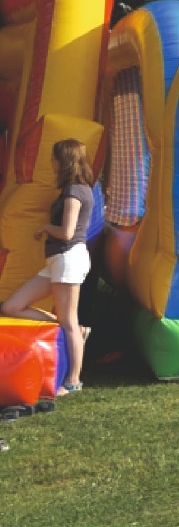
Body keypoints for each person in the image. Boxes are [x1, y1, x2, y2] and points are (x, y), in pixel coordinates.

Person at [1, 139, 96, 394]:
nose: (51, 164)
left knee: (69, 321)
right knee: (11, 307)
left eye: (54, 159)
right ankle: (76, 331)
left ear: (63, 161)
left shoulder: (74, 192)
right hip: (57, 260)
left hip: (68, 258)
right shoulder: (74, 189)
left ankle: (73, 381)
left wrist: (44, 228)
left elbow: (66, 232)